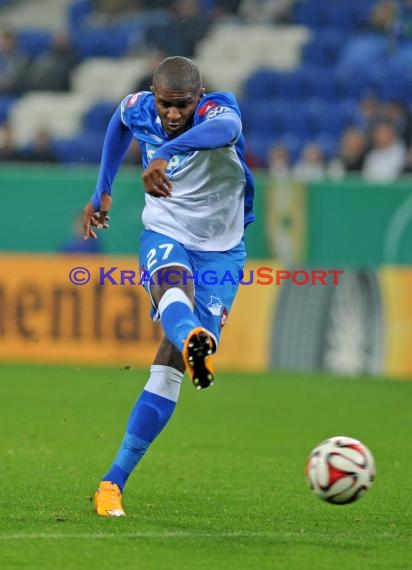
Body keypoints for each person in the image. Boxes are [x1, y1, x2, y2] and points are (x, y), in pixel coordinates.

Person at [82, 56, 255, 517]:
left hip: (222, 249)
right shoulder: (141, 107)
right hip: (166, 230)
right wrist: (103, 188)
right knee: (173, 291)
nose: (172, 114)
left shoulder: (217, 113)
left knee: (169, 366)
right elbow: (119, 123)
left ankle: (191, 341)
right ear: (154, 96)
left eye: (181, 105)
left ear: (197, 99)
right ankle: (110, 486)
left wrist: (164, 152)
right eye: (165, 105)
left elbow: (229, 132)